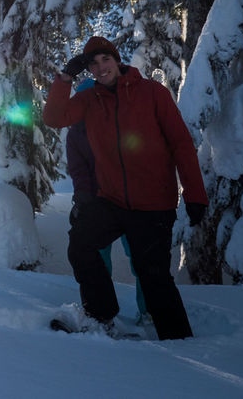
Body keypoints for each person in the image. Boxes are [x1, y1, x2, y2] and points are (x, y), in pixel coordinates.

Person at [43, 36, 208, 340]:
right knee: (81, 244)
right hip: (113, 201)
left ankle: (179, 341)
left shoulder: (152, 93)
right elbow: (53, 118)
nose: (100, 67)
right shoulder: (90, 100)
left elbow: (181, 144)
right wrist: (65, 77)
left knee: (153, 275)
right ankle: (101, 314)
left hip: (153, 205)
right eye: (93, 64)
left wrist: (195, 195)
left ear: (116, 60)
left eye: (105, 59)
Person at [66, 78, 148, 322]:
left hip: (129, 202)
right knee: (96, 258)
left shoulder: (121, 125)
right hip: (96, 205)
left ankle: (149, 312)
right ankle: (99, 314)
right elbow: (78, 171)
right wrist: (83, 200)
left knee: (141, 257)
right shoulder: (76, 133)